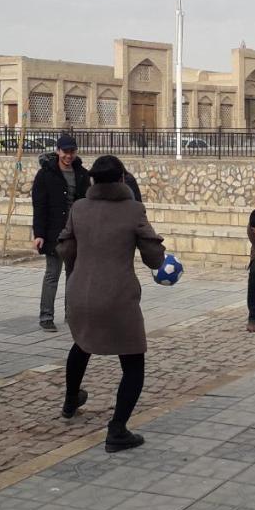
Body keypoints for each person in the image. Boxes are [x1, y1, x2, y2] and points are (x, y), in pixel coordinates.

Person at [57, 154, 166, 452]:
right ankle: (117, 430)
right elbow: (153, 257)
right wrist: (157, 246)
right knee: (133, 361)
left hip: (79, 291)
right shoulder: (133, 210)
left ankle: (69, 401)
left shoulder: (79, 208)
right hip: (117, 296)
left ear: (92, 180)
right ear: (122, 179)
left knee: (82, 344)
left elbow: (65, 248)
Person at [32, 135, 91, 331]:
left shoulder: (82, 173)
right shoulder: (45, 175)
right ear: (58, 151)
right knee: (52, 275)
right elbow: (39, 207)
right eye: (65, 152)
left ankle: (71, 314)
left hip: (76, 233)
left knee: (73, 275)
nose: (69, 156)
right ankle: (46, 316)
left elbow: (87, 203)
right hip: (53, 233)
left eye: (72, 151)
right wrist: (39, 234)